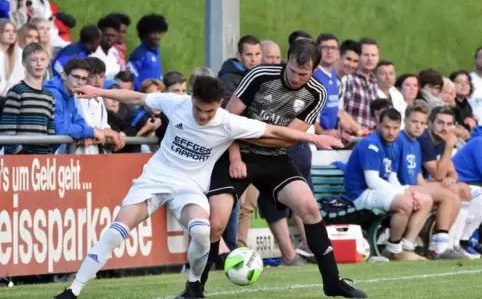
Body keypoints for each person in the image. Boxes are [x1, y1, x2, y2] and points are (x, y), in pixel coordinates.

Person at [51, 75, 342, 299]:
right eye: (200, 110)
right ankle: (73, 290)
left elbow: (274, 130)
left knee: (202, 231)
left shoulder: (228, 122)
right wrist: (99, 92)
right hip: (155, 179)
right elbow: (138, 97)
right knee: (116, 232)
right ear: (192, 100)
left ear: (219, 105)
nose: (204, 116)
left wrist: (315, 138)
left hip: (190, 188)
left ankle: (193, 286)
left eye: (210, 111)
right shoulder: (175, 103)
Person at [197, 39, 367, 298]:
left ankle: (333, 282)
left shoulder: (317, 92)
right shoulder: (259, 76)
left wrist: (253, 134)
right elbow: (227, 123)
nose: (297, 78)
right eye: (293, 71)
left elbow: (288, 139)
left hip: (275, 158)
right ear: (286, 61)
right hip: (235, 152)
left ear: (314, 70)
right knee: (216, 223)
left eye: (304, 74)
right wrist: (235, 158)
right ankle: (195, 288)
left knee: (309, 207)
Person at [344, 108, 431, 261]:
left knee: (425, 200)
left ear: (400, 126)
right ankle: (393, 249)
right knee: (405, 203)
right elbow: (372, 181)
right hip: (360, 193)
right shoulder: (370, 144)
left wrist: (405, 190)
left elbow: (392, 177)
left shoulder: (395, 144)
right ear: (378, 125)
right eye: (387, 127)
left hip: (379, 191)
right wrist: (402, 194)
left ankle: (406, 246)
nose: (391, 132)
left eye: (395, 128)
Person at [395, 100, 461, 258]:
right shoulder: (405, 140)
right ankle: (439, 247)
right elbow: (438, 175)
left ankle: (443, 243)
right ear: (405, 122)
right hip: (398, 188)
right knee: (448, 193)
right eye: (414, 122)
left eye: (421, 123)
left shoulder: (415, 144)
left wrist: (431, 188)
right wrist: (449, 147)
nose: (418, 126)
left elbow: (419, 176)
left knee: (451, 193)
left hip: (410, 186)